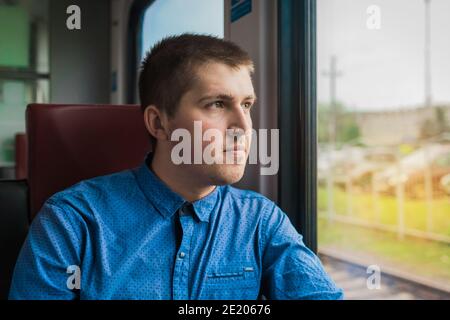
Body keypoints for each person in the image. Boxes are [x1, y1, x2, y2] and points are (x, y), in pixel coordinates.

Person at [9, 34, 343, 300]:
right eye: (217, 104)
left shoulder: (261, 222)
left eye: (246, 105)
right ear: (159, 123)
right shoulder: (71, 221)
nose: (243, 126)